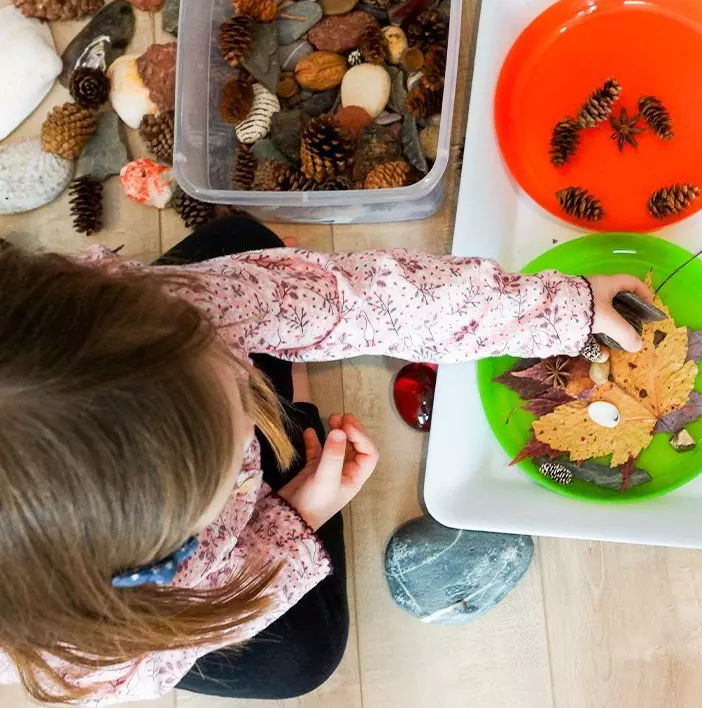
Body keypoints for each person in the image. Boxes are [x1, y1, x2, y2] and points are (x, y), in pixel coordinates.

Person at [0, 215, 652, 705]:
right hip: (188, 594)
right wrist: (293, 519)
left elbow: (361, 296)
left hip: (148, 367)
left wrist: (558, 308)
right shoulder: (96, 649)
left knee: (245, 245)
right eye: (242, 402)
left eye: (225, 364)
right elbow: (196, 620)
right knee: (301, 658)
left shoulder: (164, 311)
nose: (248, 383)